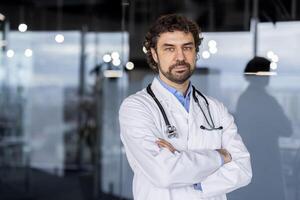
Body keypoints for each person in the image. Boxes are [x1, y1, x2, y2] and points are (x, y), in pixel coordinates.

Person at [119, 14, 252, 200]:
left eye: (187, 48)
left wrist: (191, 175)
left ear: (195, 52)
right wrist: (220, 156)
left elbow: (243, 169)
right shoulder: (136, 108)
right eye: (169, 49)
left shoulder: (215, 108)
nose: (180, 57)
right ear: (155, 54)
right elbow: (164, 173)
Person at [232, 57, 292, 200]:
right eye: (267, 72)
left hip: (250, 159)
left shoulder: (243, 99)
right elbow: (287, 129)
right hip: (267, 161)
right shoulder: (267, 101)